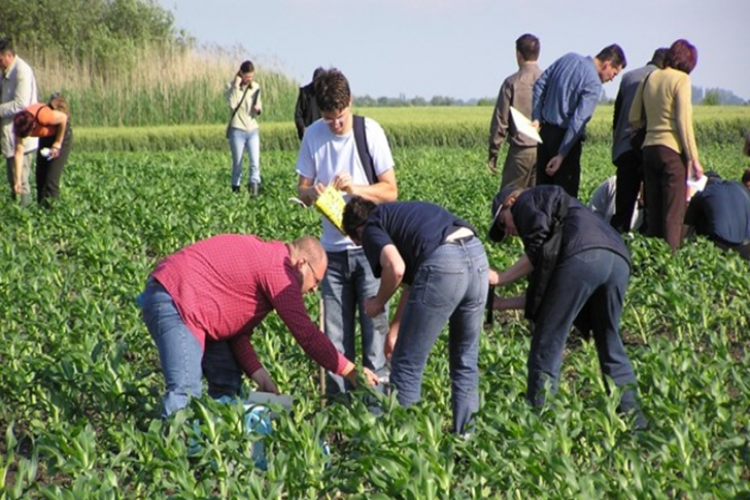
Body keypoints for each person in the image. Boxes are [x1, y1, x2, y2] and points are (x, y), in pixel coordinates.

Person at [138, 234, 378, 418]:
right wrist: (351, 372)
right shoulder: (281, 273)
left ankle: (215, 452)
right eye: (316, 280)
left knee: (227, 381)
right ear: (302, 263)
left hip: (198, 308)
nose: (315, 288)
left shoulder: (271, 260)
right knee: (185, 391)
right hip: (176, 298)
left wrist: (260, 376)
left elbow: (236, 333)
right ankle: (172, 464)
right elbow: (307, 335)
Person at [487, 185, 647, 429]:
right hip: (618, 258)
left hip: (583, 256)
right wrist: (501, 304)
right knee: (610, 344)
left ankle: (541, 430)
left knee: (546, 346)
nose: (507, 231)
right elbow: (549, 296)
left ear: (510, 200)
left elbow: (538, 249)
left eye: (502, 222)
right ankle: (637, 425)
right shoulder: (560, 227)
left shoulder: (527, 201)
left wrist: (501, 277)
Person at [342, 196, 489, 434]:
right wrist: (395, 330)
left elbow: (396, 268)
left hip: (445, 264)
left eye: (358, 242)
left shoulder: (371, 226)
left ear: (358, 230)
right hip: (476, 255)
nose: (363, 245)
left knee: (406, 366)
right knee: (465, 360)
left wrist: (378, 302)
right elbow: (413, 284)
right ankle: (467, 438)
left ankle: (406, 451)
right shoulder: (401, 214)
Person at [296, 68, 398, 400]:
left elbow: (391, 191)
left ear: (350, 102)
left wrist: (356, 188)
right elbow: (302, 188)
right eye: (329, 120)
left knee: (374, 340)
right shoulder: (313, 134)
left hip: (369, 252)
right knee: (334, 345)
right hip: (332, 255)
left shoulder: (371, 132)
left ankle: (376, 414)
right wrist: (311, 195)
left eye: (340, 117)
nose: (336, 125)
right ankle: (340, 418)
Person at [630, 39, 703, 253]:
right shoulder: (681, 79)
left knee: (654, 210)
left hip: (649, 149)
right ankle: (669, 267)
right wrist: (694, 160)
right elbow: (683, 122)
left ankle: (652, 260)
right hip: (671, 152)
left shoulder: (650, 77)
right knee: (673, 213)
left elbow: (634, 117)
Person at [532, 44, 627, 199]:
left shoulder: (568, 58)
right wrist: (562, 155)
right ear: (607, 64)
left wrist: (536, 118)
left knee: (542, 195)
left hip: (544, 134)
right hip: (566, 141)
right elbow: (579, 120)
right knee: (564, 201)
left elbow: (539, 85)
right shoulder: (594, 83)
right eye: (614, 74)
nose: (612, 79)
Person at [610, 47, 668, 233]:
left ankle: (617, 241)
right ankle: (646, 246)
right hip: (648, 147)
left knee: (623, 207)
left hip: (624, 148)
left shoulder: (628, 77)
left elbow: (617, 115)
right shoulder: (662, 79)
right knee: (651, 206)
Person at [486, 34, 542, 190]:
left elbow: (500, 122)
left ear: (518, 54)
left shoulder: (512, 83)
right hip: (544, 152)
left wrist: (493, 152)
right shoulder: (547, 80)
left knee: (509, 201)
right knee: (537, 202)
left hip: (520, 154)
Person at [12, 94, 72, 207]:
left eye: (29, 134)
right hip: (45, 137)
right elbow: (18, 153)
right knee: (40, 178)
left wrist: (57, 144)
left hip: (62, 135)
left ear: (33, 126)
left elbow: (63, 118)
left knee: (51, 180)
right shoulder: (19, 125)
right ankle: (42, 212)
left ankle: (53, 214)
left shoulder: (44, 117)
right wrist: (17, 180)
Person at [0, 38, 38, 205]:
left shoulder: (21, 71)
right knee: (12, 179)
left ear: (8, 55)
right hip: (8, 135)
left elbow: (21, 104)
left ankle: (25, 218)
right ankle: (17, 213)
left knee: (21, 181)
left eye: (0, 59)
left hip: (22, 134)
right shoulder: (5, 71)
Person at [684, 173, 750, 260]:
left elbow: (689, 213)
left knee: (701, 211)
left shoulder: (708, 190)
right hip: (746, 248)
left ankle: (687, 244)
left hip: (721, 245)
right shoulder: (742, 190)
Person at [226, 60, 263, 195]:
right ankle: (235, 191)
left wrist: (257, 109)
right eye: (247, 76)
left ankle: (254, 193)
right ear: (241, 73)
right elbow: (232, 105)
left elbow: (259, 108)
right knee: (238, 164)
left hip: (252, 129)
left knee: (255, 162)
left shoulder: (256, 87)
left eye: (251, 76)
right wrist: (236, 86)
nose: (249, 79)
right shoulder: (231, 87)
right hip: (237, 129)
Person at [294, 67, 324, 141]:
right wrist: (302, 128)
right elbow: (298, 115)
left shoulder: (327, 93)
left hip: (324, 134)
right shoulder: (305, 93)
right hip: (308, 134)